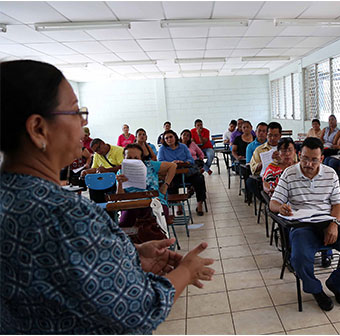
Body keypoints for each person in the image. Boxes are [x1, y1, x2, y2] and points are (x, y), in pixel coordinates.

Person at [0, 60, 214, 333]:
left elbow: (55, 269)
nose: (84, 123)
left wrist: (131, 256)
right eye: (76, 112)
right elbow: (138, 310)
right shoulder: (67, 214)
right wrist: (186, 271)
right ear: (38, 128)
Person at [269, 137, 340, 312]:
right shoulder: (289, 173)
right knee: (299, 259)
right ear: (299, 155)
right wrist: (282, 208)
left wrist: (334, 223)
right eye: (305, 158)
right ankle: (316, 290)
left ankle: (337, 285)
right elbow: (273, 203)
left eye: (314, 159)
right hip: (302, 225)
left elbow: (337, 204)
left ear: (321, 159)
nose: (309, 164)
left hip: (327, 221)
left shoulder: (330, 173)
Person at [116, 143, 177, 227]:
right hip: (131, 204)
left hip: (153, 202)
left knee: (155, 223)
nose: (133, 160)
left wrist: (165, 185)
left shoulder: (150, 165)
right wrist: (120, 183)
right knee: (124, 225)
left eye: (136, 158)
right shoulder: (121, 173)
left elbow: (173, 166)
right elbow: (120, 196)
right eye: (129, 158)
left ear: (141, 158)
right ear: (124, 158)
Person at [158, 130, 207, 215]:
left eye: (171, 137)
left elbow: (191, 159)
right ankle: (178, 206)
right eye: (166, 138)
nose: (169, 139)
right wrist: (171, 163)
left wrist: (183, 162)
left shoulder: (183, 146)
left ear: (175, 137)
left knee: (199, 179)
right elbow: (160, 161)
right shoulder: (162, 149)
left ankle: (199, 204)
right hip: (172, 173)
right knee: (170, 182)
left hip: (186, 172)